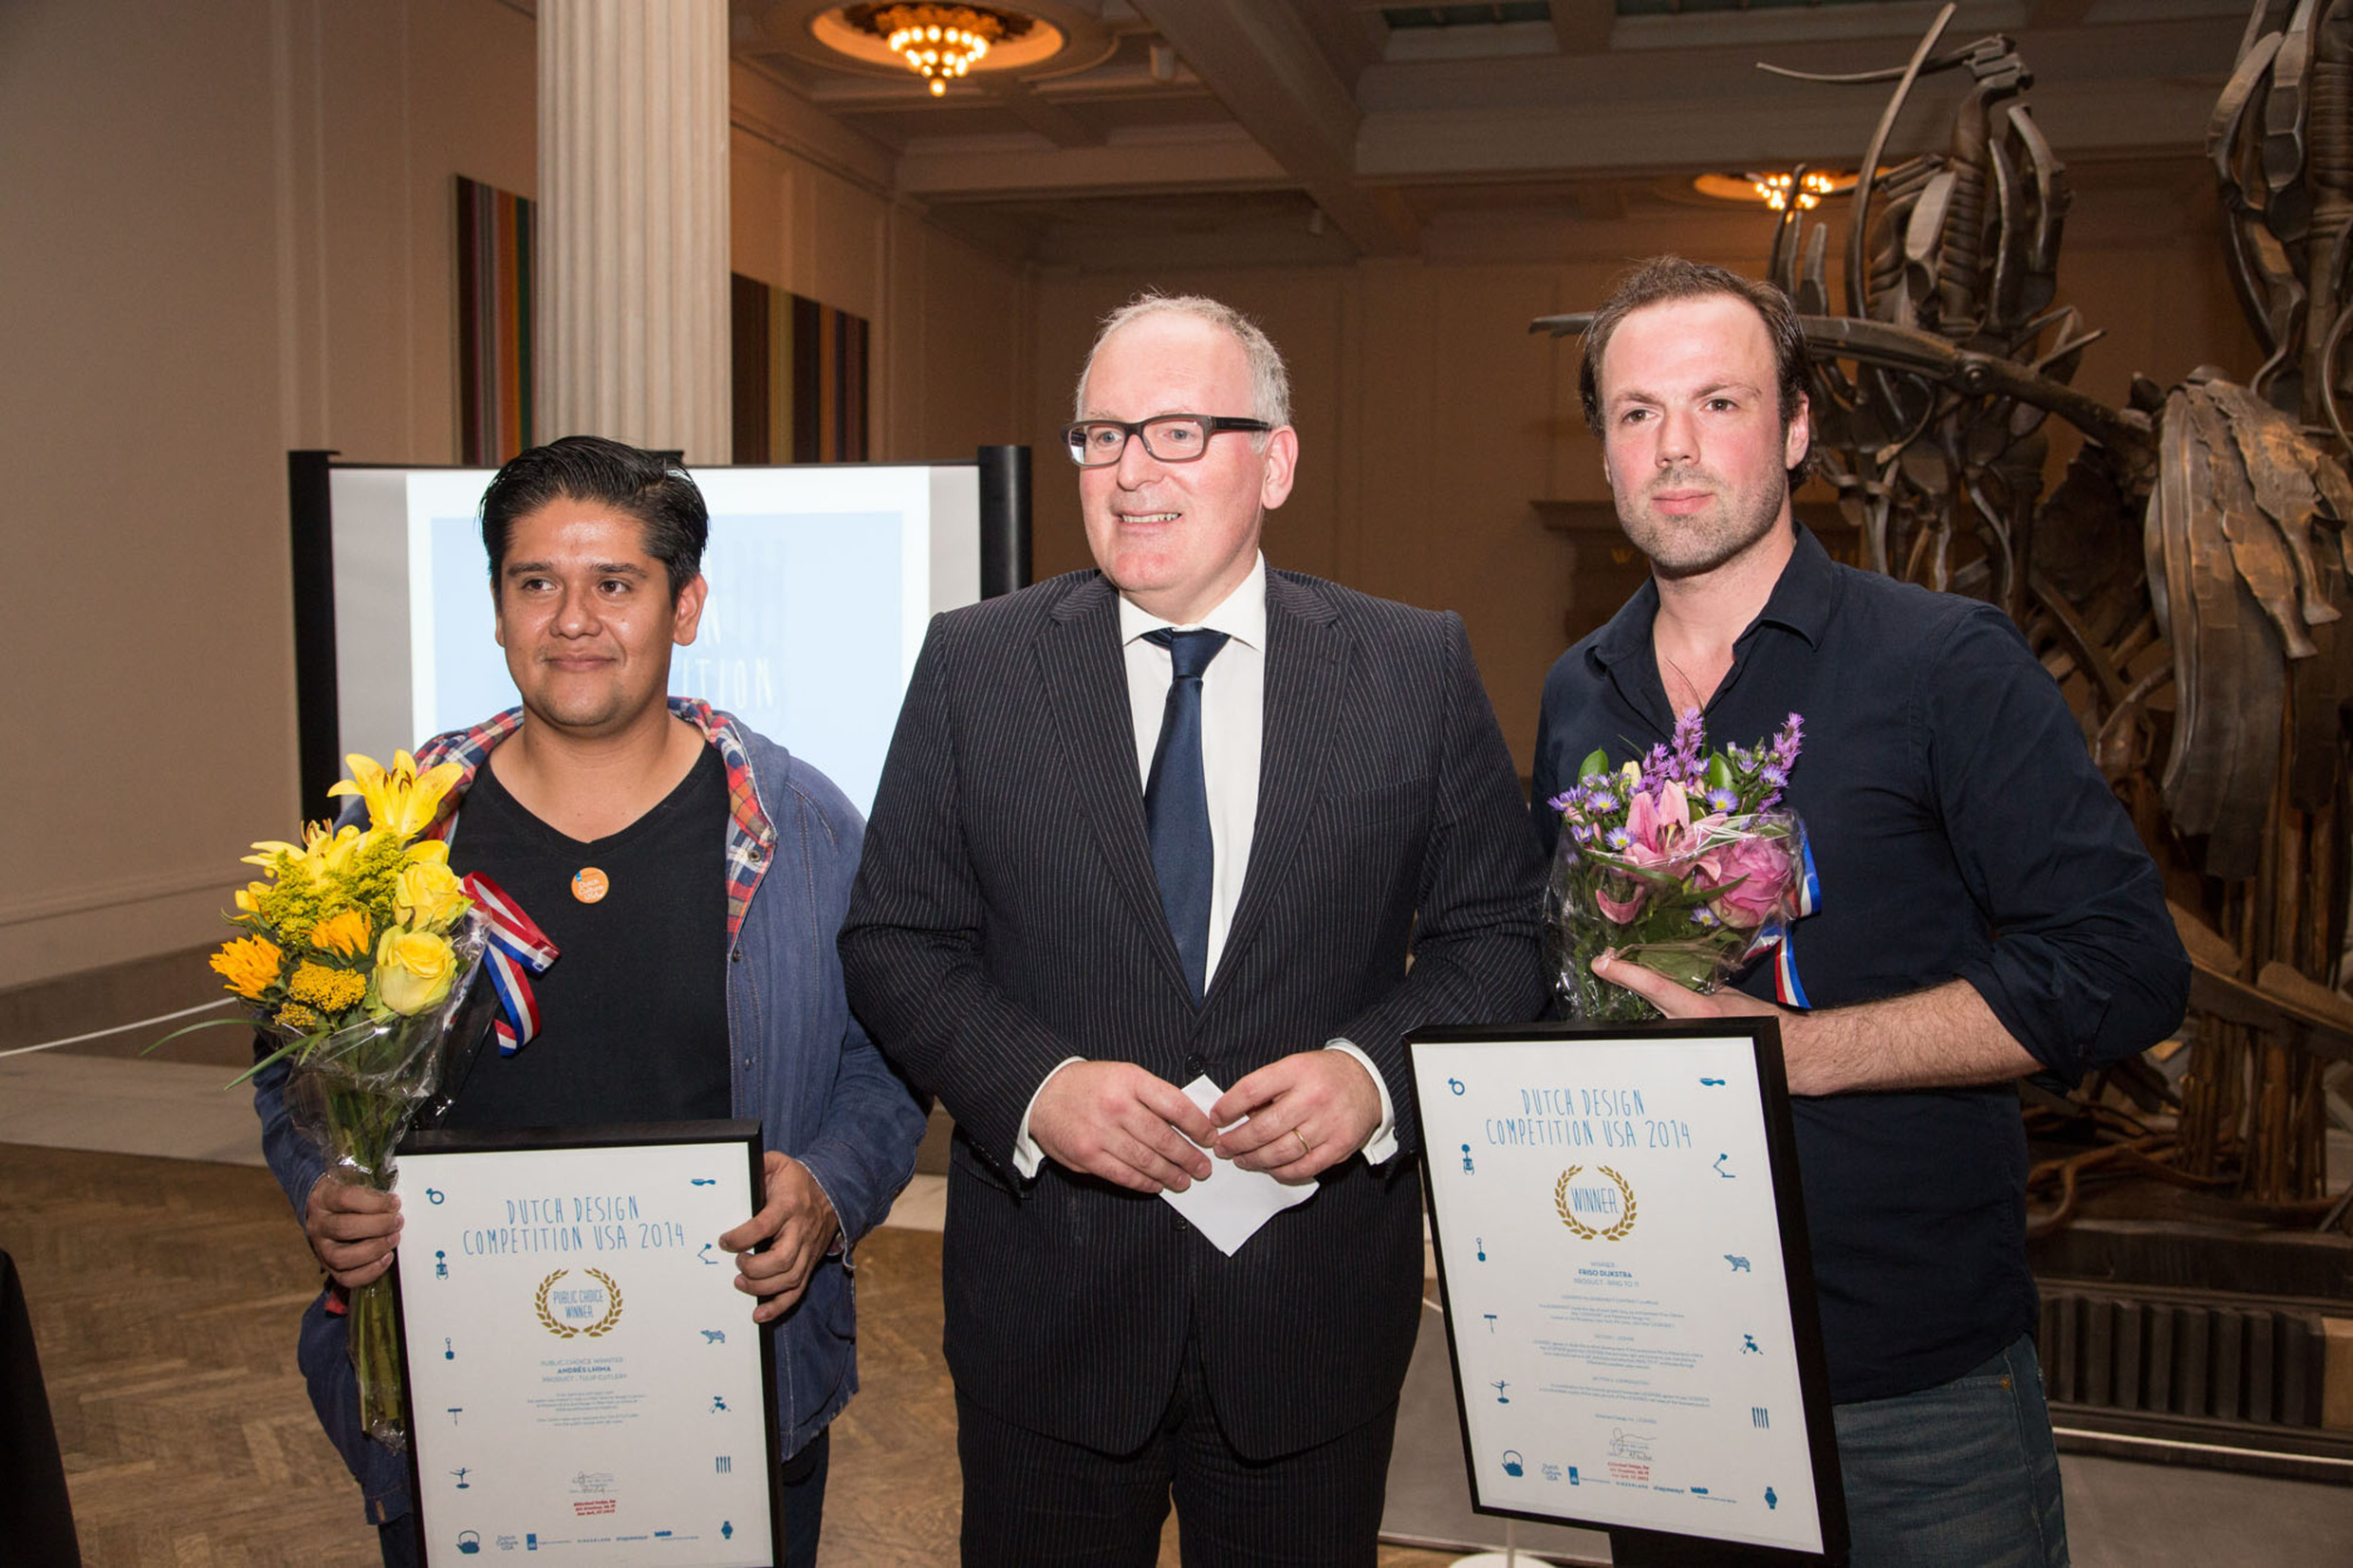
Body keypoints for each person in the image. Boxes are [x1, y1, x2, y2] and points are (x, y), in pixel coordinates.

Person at [839, 293, 1545, 1566]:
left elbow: (1499, 932)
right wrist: (1036, 1086)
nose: (1129, 473)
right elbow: (895, 938)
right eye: (1102, 436)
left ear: (1274, 461)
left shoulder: (1412, 668)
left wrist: (1370, 1075)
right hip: (1050, 1318)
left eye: (1176, 432)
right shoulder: (975, 665)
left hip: (1308, 1321)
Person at [1529, 256, 2190, 1565]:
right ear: (1602, 449)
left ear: (1794, 429)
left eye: (1719, 403)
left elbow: (2123, 968)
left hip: (1910, 1388)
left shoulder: (1943, 663)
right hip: (1662, 1360)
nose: (1674, 448)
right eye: (1637, 411)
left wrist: (1798, 1054)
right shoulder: (1577, 691)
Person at [252, 435, 926, 1566]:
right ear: (497, 610)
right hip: (460, 1391)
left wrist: (828, 1187)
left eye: (614, 583)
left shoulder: (803, 829)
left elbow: (888, 1062)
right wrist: (324, 1187)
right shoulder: (393, 839)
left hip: (731, 1385)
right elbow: (291, 1068)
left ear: (685, 606)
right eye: (536, 583)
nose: (572, 620)